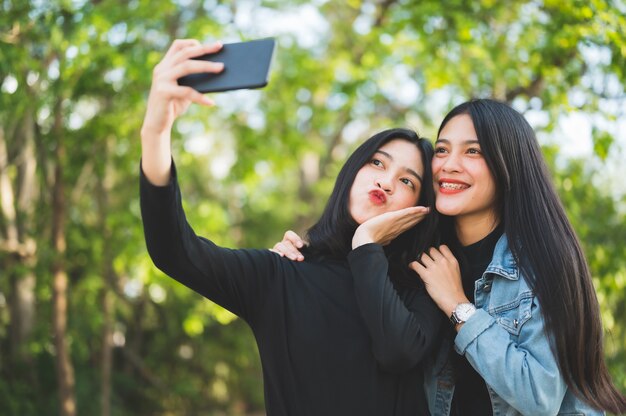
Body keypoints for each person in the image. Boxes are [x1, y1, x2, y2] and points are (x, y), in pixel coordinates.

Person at [140, 39, 444, 415]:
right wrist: (155, 132)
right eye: (378, 164)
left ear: (418, 208)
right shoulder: (282, 274)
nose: (386, 182)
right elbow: (175, 251)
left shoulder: (422, 290)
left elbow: (397, 351)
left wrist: (365, 245)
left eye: (407, 182)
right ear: (351, 172)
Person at [276, 99, 626, 415]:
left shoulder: (541, 262)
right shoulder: (418, 259)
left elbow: (540, 397)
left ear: (509, 164)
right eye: (441, 151)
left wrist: (459, 307)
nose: (449, 165)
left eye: (473, 152)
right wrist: (299, 263)